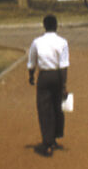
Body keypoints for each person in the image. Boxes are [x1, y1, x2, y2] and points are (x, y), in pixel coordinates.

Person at [27, 14, 69, 156]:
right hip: (57, 76)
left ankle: (47, 142)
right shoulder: (62, 42)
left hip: (44, 77)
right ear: (56, 26)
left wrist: (31, 75)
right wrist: (64, 86)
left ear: (44, 26)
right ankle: (55, 137)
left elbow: (32, 62)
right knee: (58, 107)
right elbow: (64, 65)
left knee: (45, 109)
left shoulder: (37, 42)